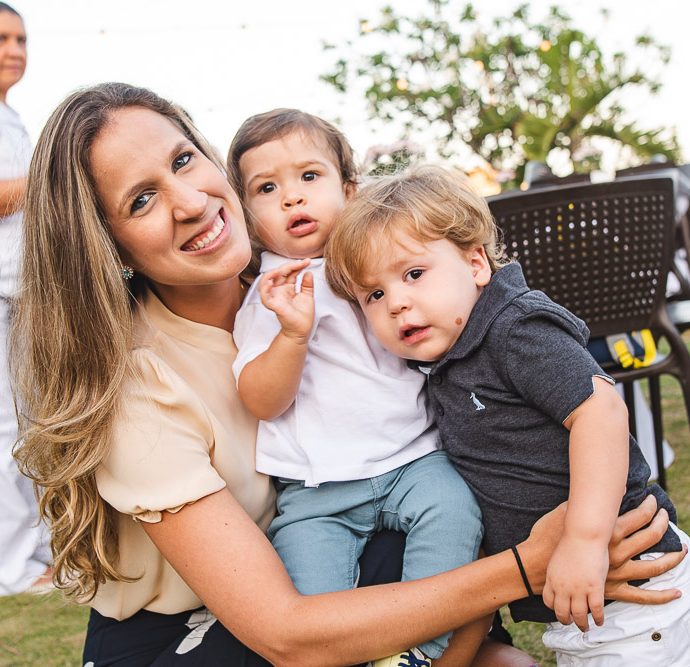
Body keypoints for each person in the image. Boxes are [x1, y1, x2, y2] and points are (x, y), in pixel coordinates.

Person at [9, 84, 685, 667]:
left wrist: (585, 518)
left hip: (374, 553)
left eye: (184, 160)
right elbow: (284, 634)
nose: (189, 201)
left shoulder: (332, 275)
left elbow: (483, 339)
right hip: (211, 632)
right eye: (142, 201)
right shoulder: (137, 382)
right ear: (109, 246)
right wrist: (524, 566)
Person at [325, 164, 690, 666]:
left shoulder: (511, 327)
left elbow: (600, 410)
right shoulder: (446, 360)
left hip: (626, 576)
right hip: (578, 602)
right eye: (374, 294)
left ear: (476, 264)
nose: (396, 304)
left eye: (413, 274)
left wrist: (584, 542)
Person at [227, 109, 483, 665]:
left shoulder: (380, 265)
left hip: (413, 458)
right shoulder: (270, 295)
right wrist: (292, 336)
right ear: (248, 216)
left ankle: (422, 650)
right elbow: (261, 400)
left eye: (309, 178)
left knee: (457, 514)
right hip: (318, 491)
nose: (292, 198)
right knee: (311, 600)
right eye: (267, 188)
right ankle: (357, 654)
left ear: (349, 189)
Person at [0, 1, 51, 596]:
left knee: (35, 424)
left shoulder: (14, 120)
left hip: (26, 293)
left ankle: (38, 550)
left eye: (22, 38)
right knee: (4, 428)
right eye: (2, 37)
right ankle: (11, 569)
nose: (14, 49)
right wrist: (53, 174)